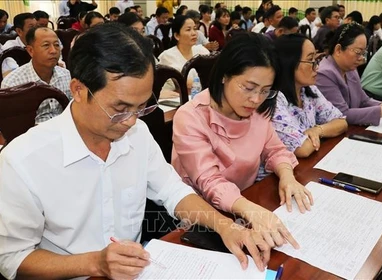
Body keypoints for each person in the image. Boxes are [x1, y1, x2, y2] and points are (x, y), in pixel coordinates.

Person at [0, 23, 272, 280]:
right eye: (120, 109)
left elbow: (172, 191)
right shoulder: (22, 160)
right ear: (79, 90)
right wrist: (94, 263)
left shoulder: (137, 134)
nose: (132, 120)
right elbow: (12, 258)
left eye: (141, 107)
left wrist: (226, 226)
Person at [172, 33, 313, 251]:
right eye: (248, 87)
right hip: (202, 220)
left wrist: (287, 176)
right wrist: (249, 209)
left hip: (244, 206)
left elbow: (275, 150)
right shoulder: (191, 116)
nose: (256, 99)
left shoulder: (259, 110)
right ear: (224, 76)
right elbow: (209, 181)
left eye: (265, 91)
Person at [316, 23, 382, 125]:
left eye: (363, 53)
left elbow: (363, 100)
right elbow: (342, 114)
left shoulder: (349, 68)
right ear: (338, 50)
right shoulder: (325, 74)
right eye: (358, 52)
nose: (361, 58)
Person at [267, 33, 347, 159]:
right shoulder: (274, 99)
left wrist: (317, 130)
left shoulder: (308, 91)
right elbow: (302, 149)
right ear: (289, 63)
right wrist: (324, 131)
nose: (317, 67)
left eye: (316, 60)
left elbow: (342, 122)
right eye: (310, 60)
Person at [1, 26, 71, 124]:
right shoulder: (13, 83)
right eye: (46, 45)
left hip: (63, 130)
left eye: (56, 45)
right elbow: (9, 125)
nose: (53, 51)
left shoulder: (66, 75)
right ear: (30, 51)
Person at [158, 15, 209, 92]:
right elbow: (183, 84)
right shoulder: (167, 56)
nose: (194, 33)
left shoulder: (202, 51)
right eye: (188, 30)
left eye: (195, 29)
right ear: (177, 36)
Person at [1, 13, 36, 77]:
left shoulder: (42, 43)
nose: (36, 30)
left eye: (36, 26)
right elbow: (11, 76)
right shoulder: (10, 49)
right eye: (31, 27)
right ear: (19, 31)